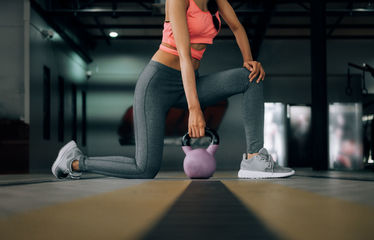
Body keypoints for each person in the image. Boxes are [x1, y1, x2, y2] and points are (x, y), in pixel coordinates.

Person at [51, 0, 295, 179]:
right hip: (157, 84)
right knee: (145, 168)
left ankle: (254, 160)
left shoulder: (215, 1)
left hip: (189, 81)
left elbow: (238, 27)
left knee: (250, 77)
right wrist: (194, 109)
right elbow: (185, 57)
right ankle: (75, 161)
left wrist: (248, 60)